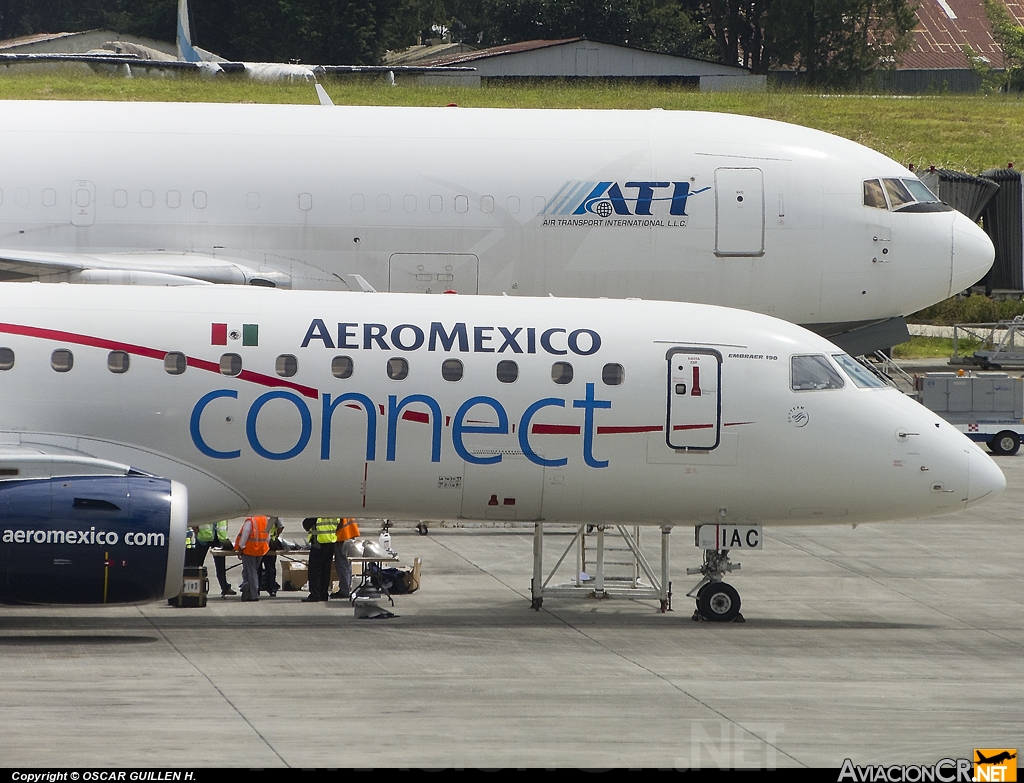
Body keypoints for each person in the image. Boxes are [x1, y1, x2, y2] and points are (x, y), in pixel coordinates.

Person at [193, 520, 236, 596]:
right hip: (204, 537)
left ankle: (225, 587)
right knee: (197, 565)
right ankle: (194, 587)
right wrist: (197, 533)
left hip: (218, 537)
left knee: (220, 566)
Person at [234, 515, 270, 602]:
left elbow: (245, 534)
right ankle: (247, 586)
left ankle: (252, 594)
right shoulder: (265, 519)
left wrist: (241, 547)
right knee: (252, 571)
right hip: (261, 549)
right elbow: (268, 536)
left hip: (250, 550)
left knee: (251, 572)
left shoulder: (251, 520)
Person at [303, 516, 337, 603]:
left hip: (319, 543)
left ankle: (315, 595)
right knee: (326, 570)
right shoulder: (334, 514)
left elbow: (306, 524)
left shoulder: (318, 514)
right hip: (331, 542)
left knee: (315, 570)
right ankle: (323, 594)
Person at [330, 518, 360, 599]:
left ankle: (344, 590)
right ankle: (346, 588)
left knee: (342, 564)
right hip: (349, 533)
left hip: (342, 536)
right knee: (347, 564)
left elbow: (337, 523)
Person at [258, 517, 285, 597]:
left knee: (269, 569)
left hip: (268, 545)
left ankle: (269, 588)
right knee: (266, 568)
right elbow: (281, 526)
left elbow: (281, 526)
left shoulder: (271, 512)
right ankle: (267, 588)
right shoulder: (272, 512)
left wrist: (275, 536)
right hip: (262, 544)